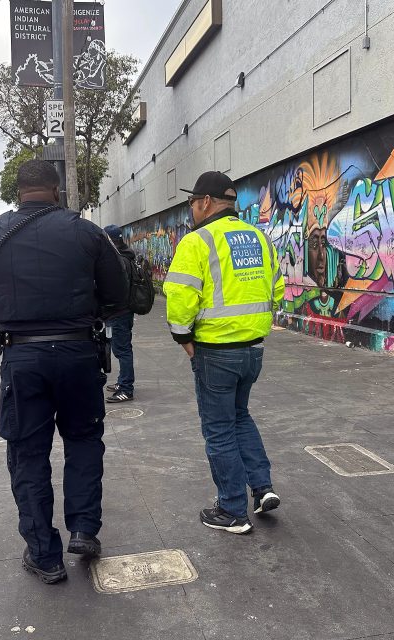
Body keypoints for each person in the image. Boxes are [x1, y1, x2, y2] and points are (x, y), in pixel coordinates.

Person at [0, 160, 128, 584]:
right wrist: (84, 321)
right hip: (78, 354)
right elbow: (119, 295)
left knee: (28, 453)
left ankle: (44, 554)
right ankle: (84, 529)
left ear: (18, 190)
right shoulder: (86, 232)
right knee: (84, 439)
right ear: (57, 189)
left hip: (23, 359)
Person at [164, 171, 284, 535]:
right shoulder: (260, 238)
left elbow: (180, 298)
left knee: (218, 429)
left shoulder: (197, 241)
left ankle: (231, 509)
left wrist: (183, 337)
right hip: (253, 351)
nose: (191, 209)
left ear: (204, 202)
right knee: (240, 417)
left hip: (215, 351)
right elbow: (276, 291)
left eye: (192, 203)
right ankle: (262, 489)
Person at [103, 224, 136, 403]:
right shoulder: (126, 256)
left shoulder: (118, 260)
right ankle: (123, 382)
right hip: (124, 311)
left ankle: (126, 388)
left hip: (118, 312)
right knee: (122, 349)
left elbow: (114, 289)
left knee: (122, 351)